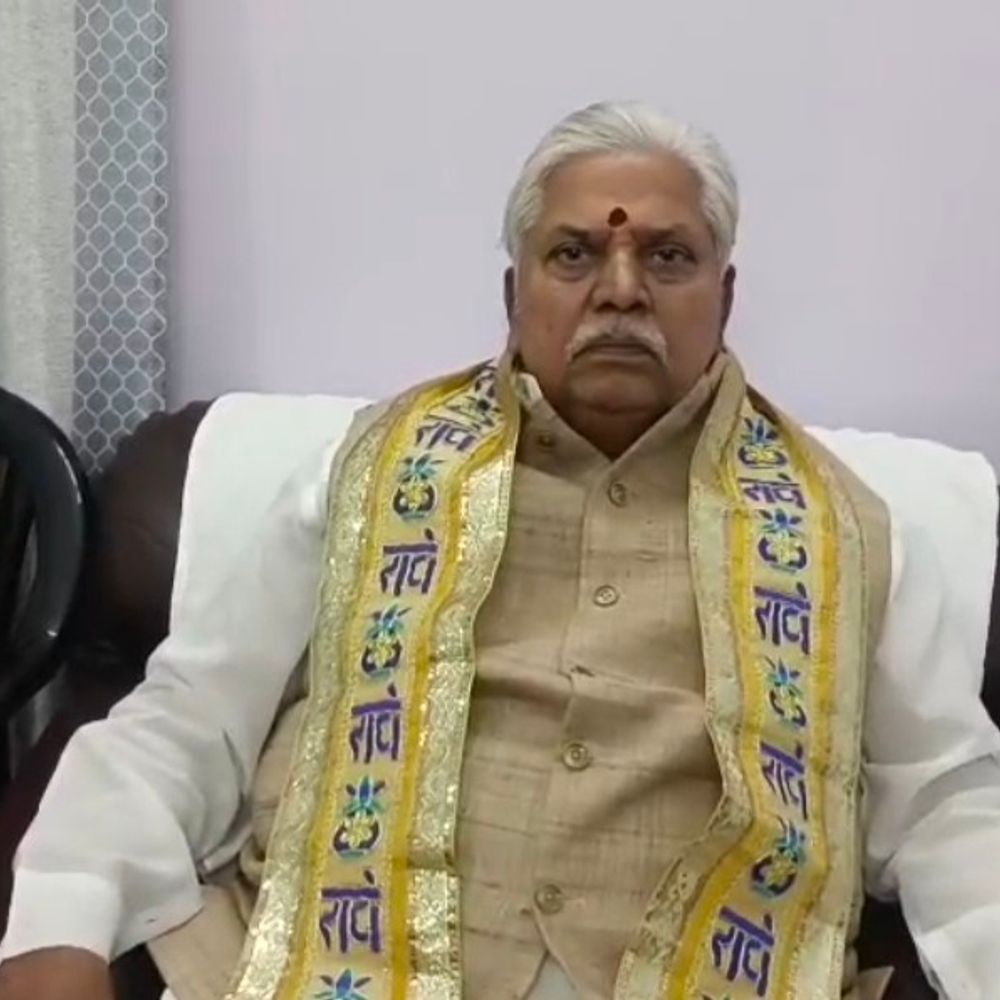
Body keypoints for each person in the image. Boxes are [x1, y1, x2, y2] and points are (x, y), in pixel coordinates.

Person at [1, 100, 998, 1000]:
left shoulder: (839, 530)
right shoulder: (365, 475)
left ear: (724, 297)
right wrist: (61, 923)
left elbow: (945, 802)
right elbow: (188, 721)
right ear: (514, 289)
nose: (621, 290)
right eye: (573, 255)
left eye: (667, 257)